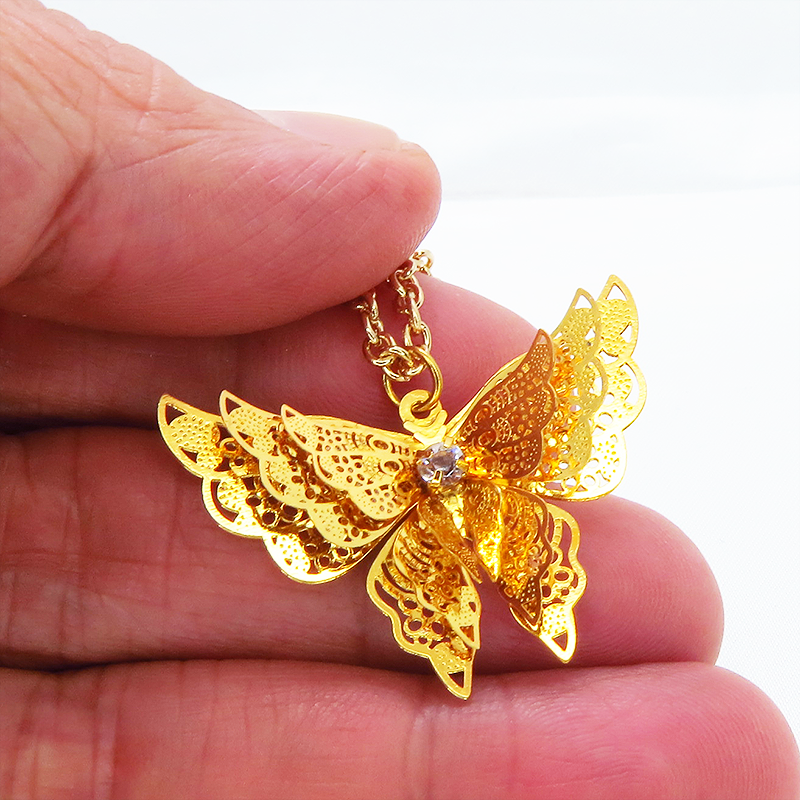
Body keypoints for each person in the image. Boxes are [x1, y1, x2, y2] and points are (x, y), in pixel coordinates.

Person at [1, 2, 798, 798]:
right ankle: (471, 637)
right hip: (412, 539)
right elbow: (236, 445)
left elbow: (584, 354)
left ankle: (528, 610)